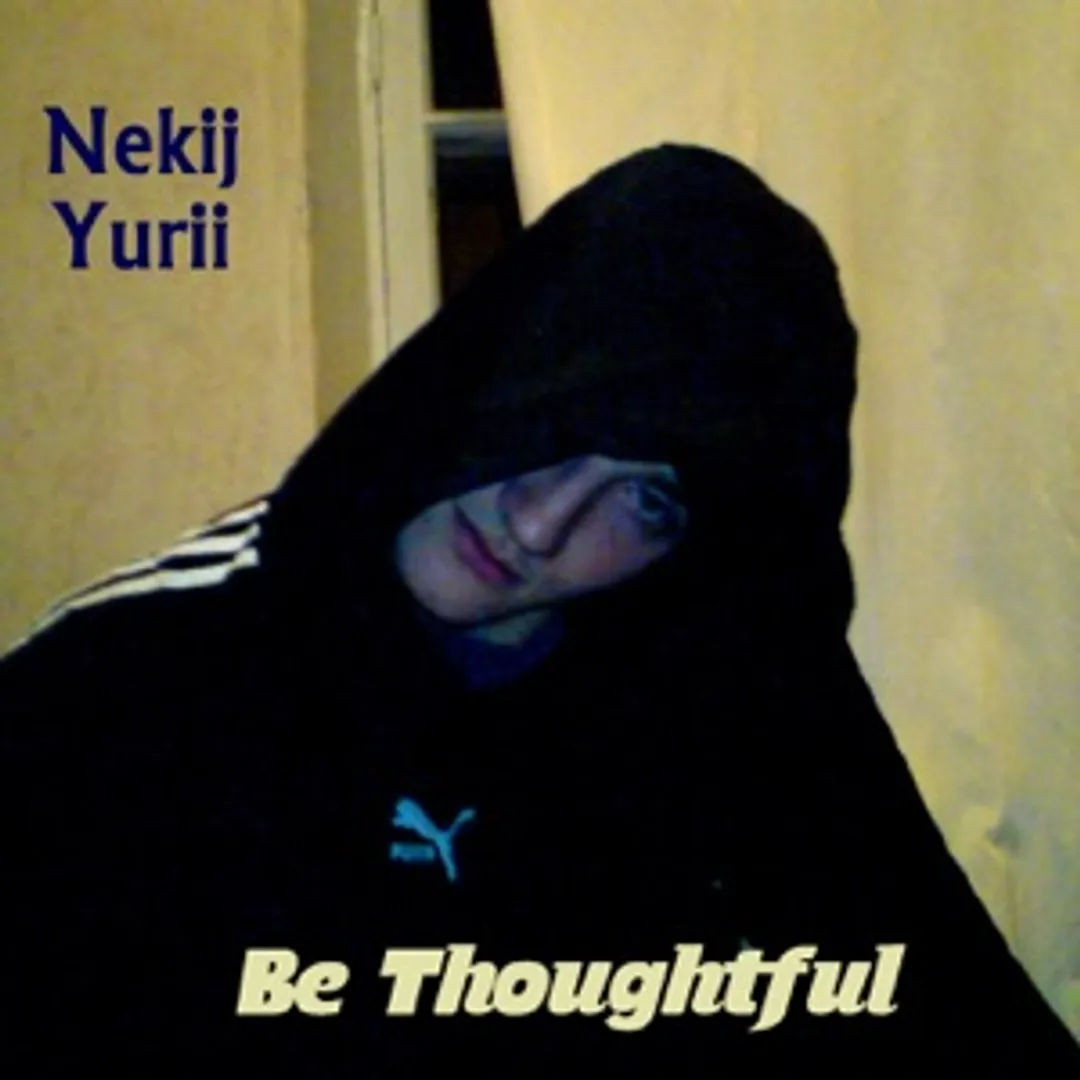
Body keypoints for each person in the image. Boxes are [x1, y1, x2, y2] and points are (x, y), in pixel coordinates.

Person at [2, 145, 1077, 1076]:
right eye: (557, 425)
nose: (543, 523)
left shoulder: (728, 699)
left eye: (647, 500)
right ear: (489, 373)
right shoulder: (138, 679)